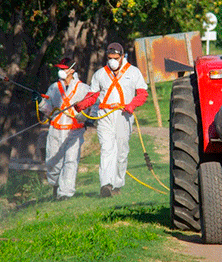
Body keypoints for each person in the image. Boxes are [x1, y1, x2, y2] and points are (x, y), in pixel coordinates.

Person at [74, 42, 148, 198]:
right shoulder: (100, 74)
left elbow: (142, 94)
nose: (112, 61)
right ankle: (106, 185)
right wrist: (82, 105)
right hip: (105, 114)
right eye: (109, 58)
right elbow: (93, 96)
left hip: (124, 115)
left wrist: (132, 105)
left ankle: (118, 184)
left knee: (121, 152)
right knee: (107, 149)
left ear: (122, 57)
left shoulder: (133, 72)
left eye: (115, 57)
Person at [36, 58, 90, 201]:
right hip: (56, 130)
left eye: (64, 68)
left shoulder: (83, 88)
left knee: (71, 161)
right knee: (53, 162)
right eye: (59, 68)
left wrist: (84, 117)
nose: (60, 71)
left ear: (72, 70)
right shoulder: (54, 88)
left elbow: (89, 108)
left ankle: (65, 193)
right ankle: (56, 184)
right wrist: (40, 102)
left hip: (74, 131)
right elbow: (49, 110)